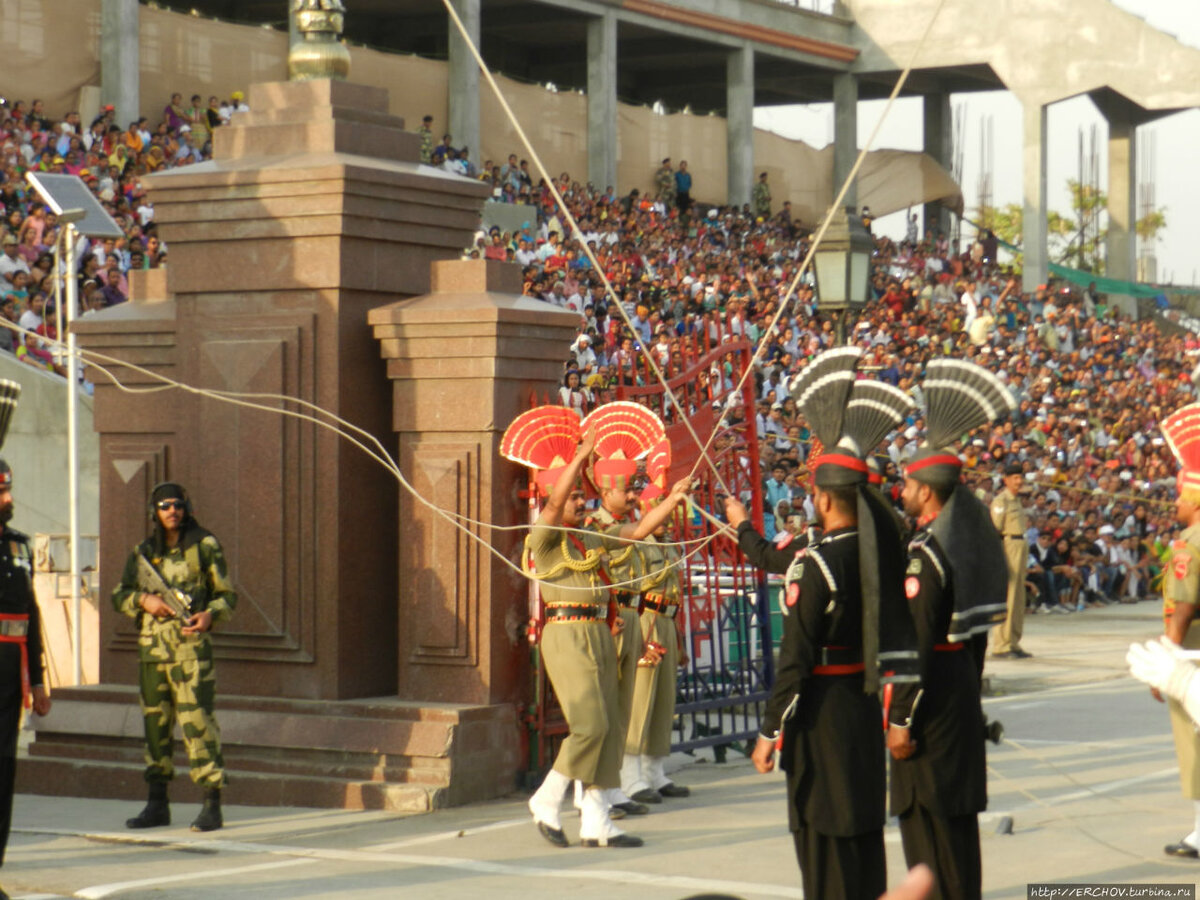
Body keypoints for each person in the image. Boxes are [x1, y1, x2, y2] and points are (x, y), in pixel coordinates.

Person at [744, 349, 918, 899]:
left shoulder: (817, 563)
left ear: (820, 498)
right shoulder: (884, 549)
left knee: (821, 834)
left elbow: (795, 657)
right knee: (863, 827)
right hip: (864, 702)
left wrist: (770, 730)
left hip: (821, 714)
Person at [888, 360, 1012, 900]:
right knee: (958, 837)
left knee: (932, 833)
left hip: (931, 707)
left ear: (927, 491)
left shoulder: (928, 553)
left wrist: (899, 718)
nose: (902, 488)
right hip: (959, 689)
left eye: (908, 482)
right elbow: (975, 636)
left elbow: (916, 642)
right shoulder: (962, 544)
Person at [513, 418, 643, 849]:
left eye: (583, 498)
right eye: (575, 498)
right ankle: (547, 797)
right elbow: (552, 507)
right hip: (567, 634)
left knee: (606, 727)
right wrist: (581, 457)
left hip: (598, 632)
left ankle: (597, 818)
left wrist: (674, 499)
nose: (582, 504)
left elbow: (637, 532)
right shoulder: (545, 538)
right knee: (588, 725)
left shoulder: (588, 540)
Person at [111, 482, 237, 833]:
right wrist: (143, 601)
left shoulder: (204, 546)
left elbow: (227, 596)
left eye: (178, 505)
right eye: (164, 506)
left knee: (199, 725)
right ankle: (157, 804)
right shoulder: (143, 553)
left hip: (191, 652)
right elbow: (119, 594)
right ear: (154, 512)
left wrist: (210, 615)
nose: (172, 511)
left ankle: (211, 804)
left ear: (187, 508)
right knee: (156, 728)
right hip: (153, 652)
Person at [0, 446, 53, 900]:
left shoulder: (19, 544)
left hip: (10, 671)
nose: (6, 499)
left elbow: (31, 615)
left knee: (4, 770)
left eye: (8, 491)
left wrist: (37, 678)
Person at [1151, 402, 1200, 859]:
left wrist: (1164, 662)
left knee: (1195, 739)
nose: (1176, 503)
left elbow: (1183, 606)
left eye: (1182, 497)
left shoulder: (1189, 544)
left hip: (1193, 659)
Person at [990, 462, 1031, 658]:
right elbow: (995, 531)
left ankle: (1013, 641)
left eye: (1020, 477)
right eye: (1015, 478)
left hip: (1020, 545)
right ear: (1006, 480)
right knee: (1009, 596)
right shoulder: (1001, 501)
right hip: (1008, 547)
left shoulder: (1016, 501)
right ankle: (1001, 645)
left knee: (1018, 597)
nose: (1019, 481)